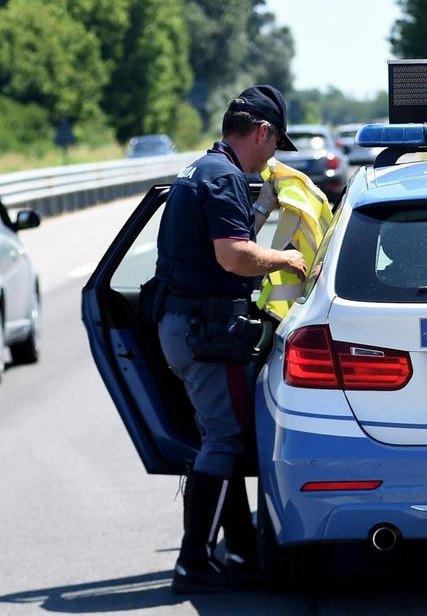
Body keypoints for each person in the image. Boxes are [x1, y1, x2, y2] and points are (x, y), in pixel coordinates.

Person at [152, 85, 306, 594]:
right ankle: (193, 562)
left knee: (224, 437)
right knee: (223, 442)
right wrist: (287, 258)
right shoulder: (222, 176)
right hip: (207, 331)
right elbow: (233, 257)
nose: (273, 157)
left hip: (187, 324)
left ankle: (239, 550)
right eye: (274, 144)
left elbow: (217, 242)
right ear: (261, 132)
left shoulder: (199, 169)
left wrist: (259, 210)